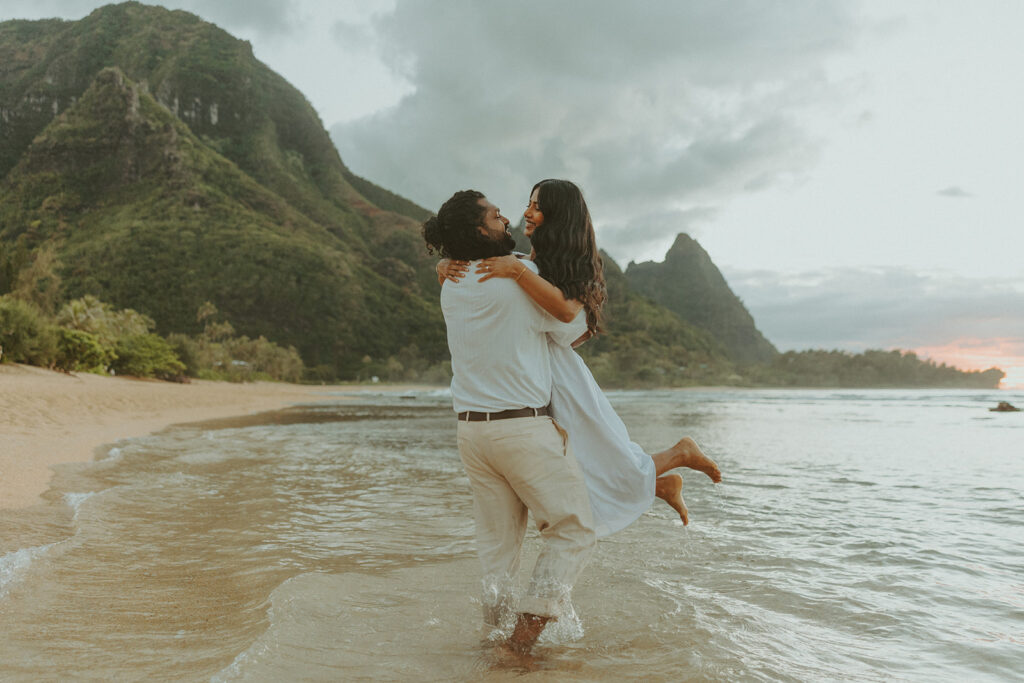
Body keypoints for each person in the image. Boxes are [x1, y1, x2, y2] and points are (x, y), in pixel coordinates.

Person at [437, 179, 721, 533]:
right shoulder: (525, 264)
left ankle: (679, 455)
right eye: (529, 203)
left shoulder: (557, 267)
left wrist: (514, 271)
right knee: (584, 459)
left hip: (555, 368)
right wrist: (447, 265)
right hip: (531, 367)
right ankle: (660, 483)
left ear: (557, 216)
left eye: (537, 206)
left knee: (594, 453)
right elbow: (495, 297)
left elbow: (568, 317)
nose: (526, 212)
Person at [423, 189, 597, 658]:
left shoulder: (452, 282)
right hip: (521, 430)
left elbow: (469, 266)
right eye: (497, 216)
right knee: (573, 528)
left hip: (472, 434)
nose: (508, 221)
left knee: (497, 550)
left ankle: (493, 638)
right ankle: (520, 645)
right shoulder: (525, 279)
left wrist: (443, 263)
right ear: (482, 230)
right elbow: (572, 328)